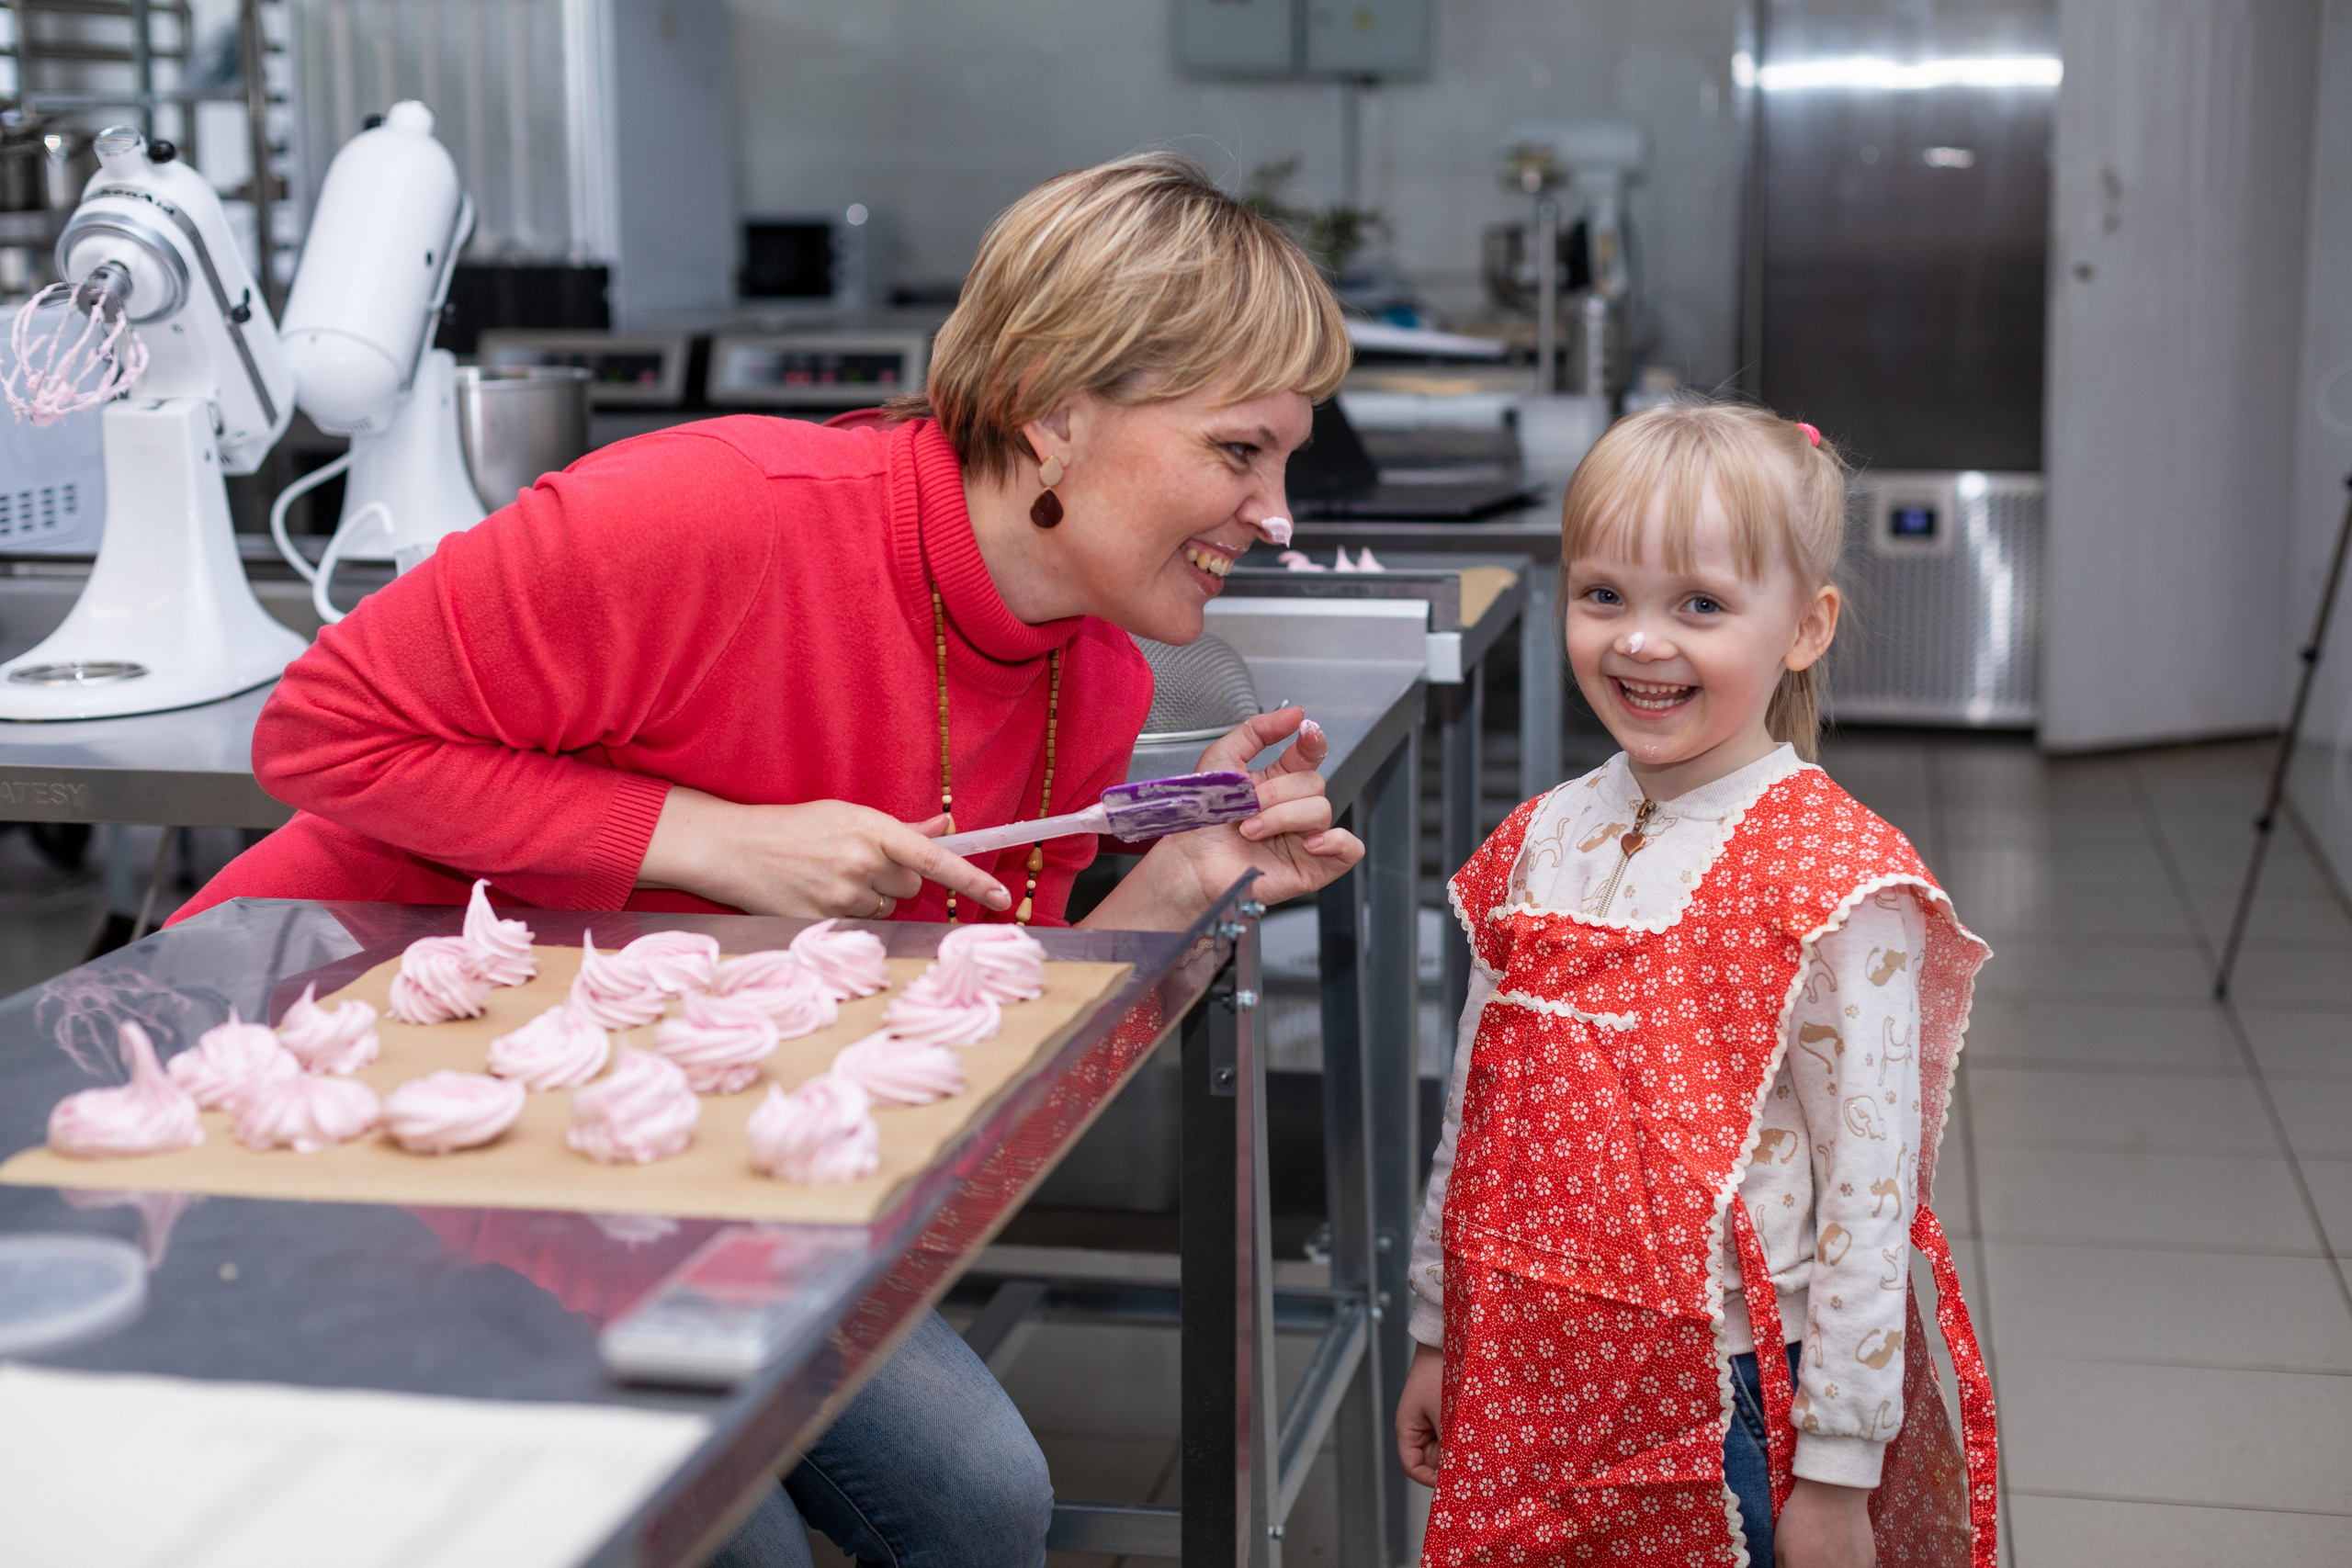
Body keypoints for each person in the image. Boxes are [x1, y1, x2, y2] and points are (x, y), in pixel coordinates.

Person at [176, 153, 1364, 1568]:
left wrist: (1171, 902)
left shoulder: (1088, 681)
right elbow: (320, 731)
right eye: (1240, 451)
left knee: (981, 1501)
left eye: (1285, 457)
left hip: (659, 1159)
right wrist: (714, 838)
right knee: (728, 1538)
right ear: (1056, 411)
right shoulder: (720, 513)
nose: (1279, 512)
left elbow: (954, 1094)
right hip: (344, 1111)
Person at [1393, 403, 2000, 1567]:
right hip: (1527, 1364)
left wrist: (1835, 1470)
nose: (1639, 642)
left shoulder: (1838, 881)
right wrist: (1437, 1330)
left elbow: (1869, 1207)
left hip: (1728, 1393)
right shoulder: (1540, 839)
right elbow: (1475, 1120)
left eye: (1701, 605)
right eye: (1603, 594)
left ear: (1805, 629)